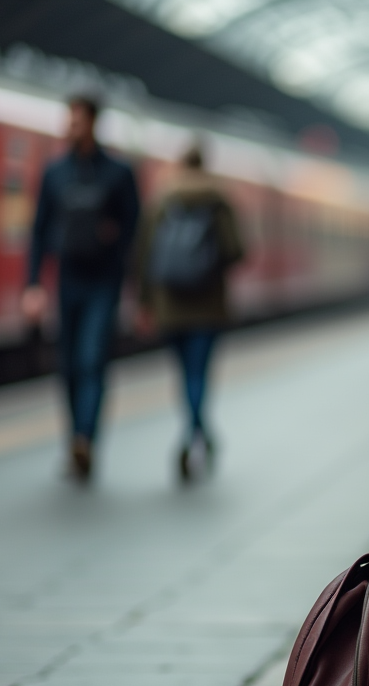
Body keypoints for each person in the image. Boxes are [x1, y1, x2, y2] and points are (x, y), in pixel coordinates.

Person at [22, 94, 140, 482]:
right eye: (68, 120)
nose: (69, 127)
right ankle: (75, 438)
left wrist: (133, 280)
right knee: (68, 366)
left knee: (92, 361)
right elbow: (39, 231)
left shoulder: (119, 174)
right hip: (68, 281)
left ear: (92, 123)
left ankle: (86, 440)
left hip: (104, 282)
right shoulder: (54, 173)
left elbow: (134, 230)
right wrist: (34, 284)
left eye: (76, 120)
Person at [134, 145, 244, 482]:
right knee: (199, 374)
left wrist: (145, 302)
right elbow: (235, 251)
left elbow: (144, 255)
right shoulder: (219, 200)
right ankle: (194, 436)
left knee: (184, 376)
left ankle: (196, 433)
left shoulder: (162, 199)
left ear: (180, 165)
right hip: (207, 306)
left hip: (171, 306)